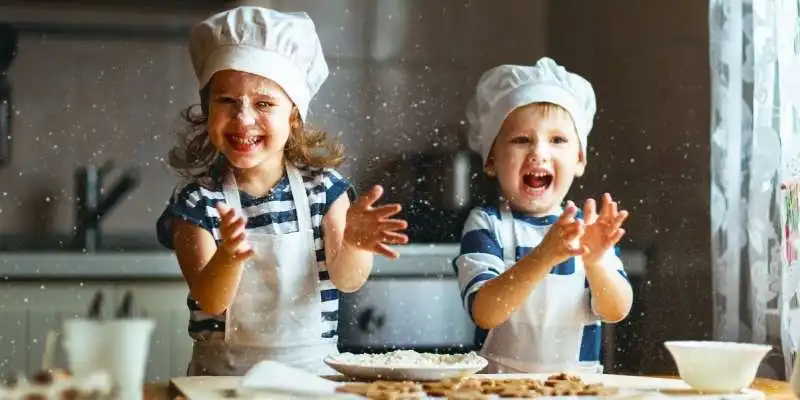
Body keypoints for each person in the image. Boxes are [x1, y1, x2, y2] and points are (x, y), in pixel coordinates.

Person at [155, 6, 408, 376]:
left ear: (293, 115)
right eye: (226, 101)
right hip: (221, 383)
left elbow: (347, 281)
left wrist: (353, 243)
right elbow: (210, 299)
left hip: (313, 378)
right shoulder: (197, 203)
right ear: (206, 109)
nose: (243, 119)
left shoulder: (326, 190)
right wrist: (229, 256)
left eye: (263, 103)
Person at [455, 57, 634, 373]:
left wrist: (594, 262)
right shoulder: (486, 225)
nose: (539, 152)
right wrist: (543, 256)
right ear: (491, 159)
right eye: (522, 140)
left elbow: (616, 310)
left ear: (579, 160)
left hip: (577, 391)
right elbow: (485, 311)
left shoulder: (590, 230)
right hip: (497, 389)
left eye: (558, 140)